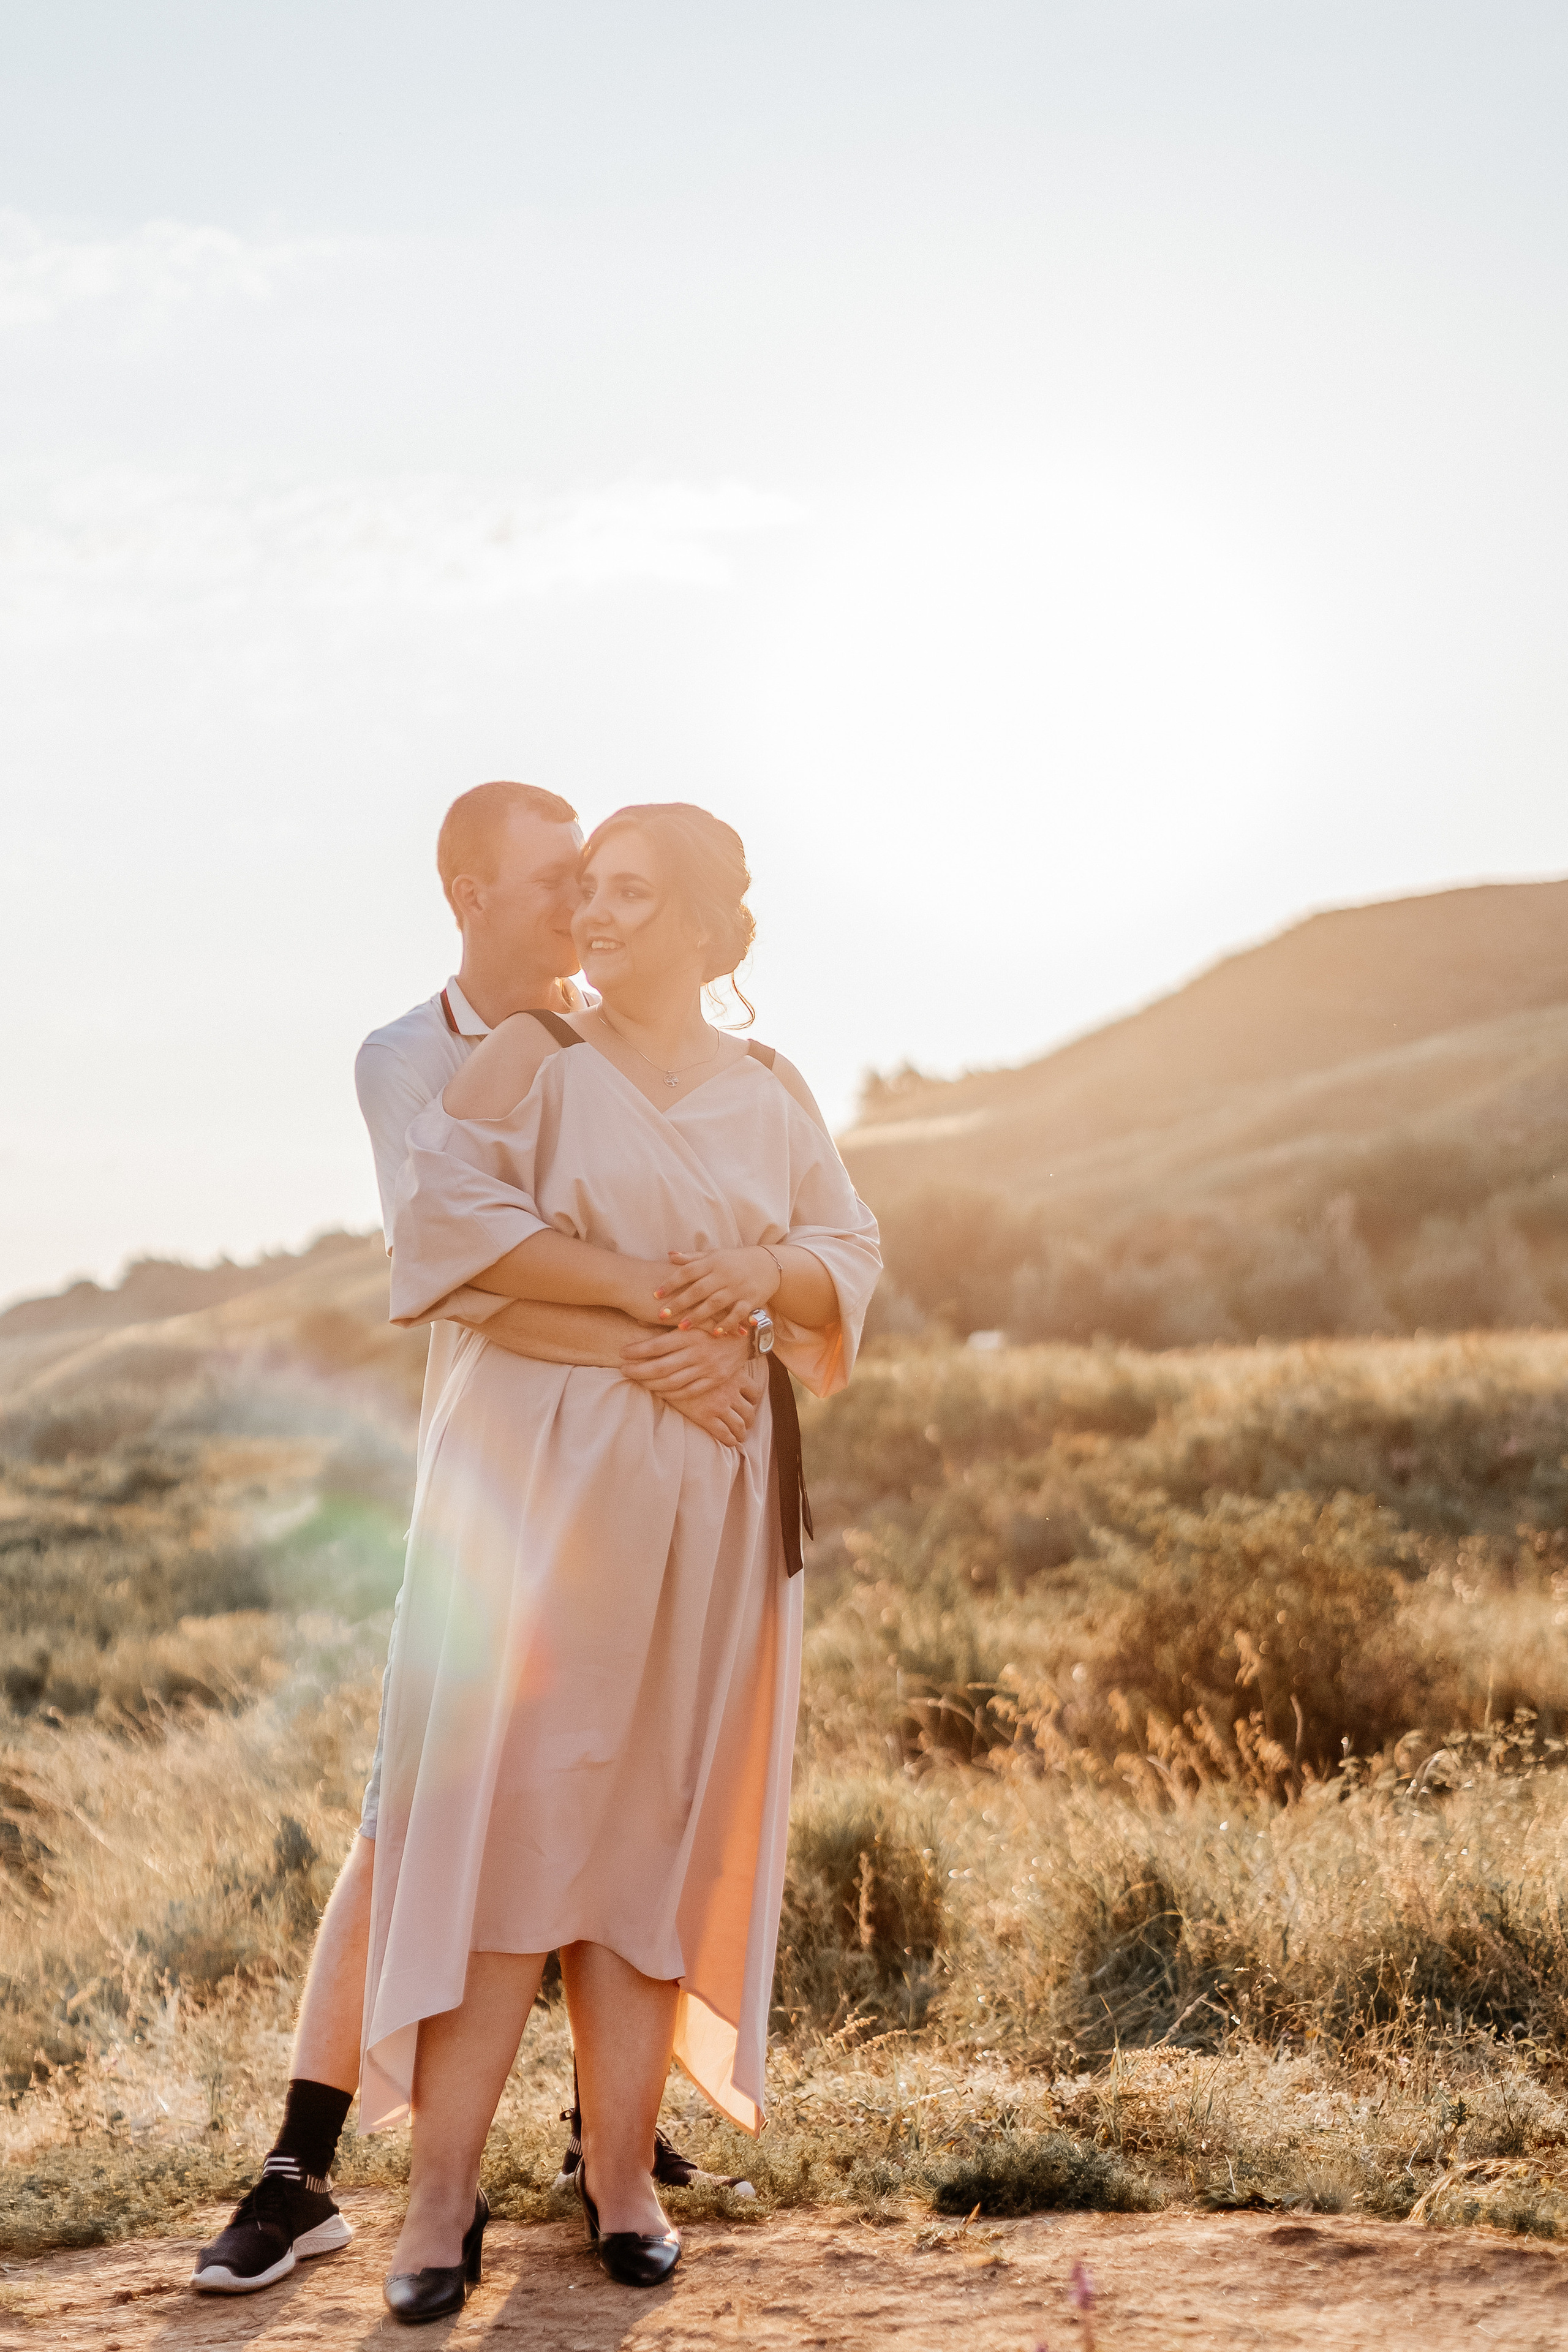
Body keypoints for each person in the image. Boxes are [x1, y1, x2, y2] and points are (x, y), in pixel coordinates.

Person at [192, 783, 762, 2296]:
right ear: (470, 894)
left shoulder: (624, 1039)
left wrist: (724, 1325)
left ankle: (604, 2149)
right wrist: (659, 1335)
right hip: (491, 1502)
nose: (583, 902)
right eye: (556, 877)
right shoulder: (412, 1060)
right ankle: (302, 2167)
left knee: (608, 1801)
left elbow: (718, 1236)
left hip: (628, 1496)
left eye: (599, 877)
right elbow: (457, 1271)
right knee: (414, 1817)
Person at [364, 802, 879, 2320]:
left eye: (631, 895)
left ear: (710, 927)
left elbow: (845, 1254)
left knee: (653, 1822)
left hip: (710, 1507)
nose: (593, 915)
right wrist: (661, 1310)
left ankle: (621, 2179)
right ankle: (437, 2202)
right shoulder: (532, 1058)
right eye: (587, 888)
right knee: (506, 1826)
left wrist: (765, 1273)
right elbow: (451, 1233)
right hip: (536, 1493)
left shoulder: (770, 1088)